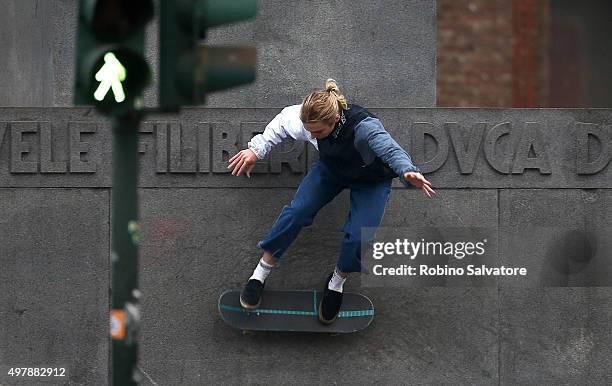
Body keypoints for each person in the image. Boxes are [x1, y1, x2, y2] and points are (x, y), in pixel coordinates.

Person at [227, 79, 436, 324]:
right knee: (297, 212)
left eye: (318, 133)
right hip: (332, 171)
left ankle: (336, 282)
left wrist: (407, 171)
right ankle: (260, 273)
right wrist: (256, 150)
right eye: (309, 131)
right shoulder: (307, 119)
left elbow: (390, 150)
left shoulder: (365, 127)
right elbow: (283, 122)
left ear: (335, 119)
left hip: (371, 181)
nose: (312, 136)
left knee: (359, 236)